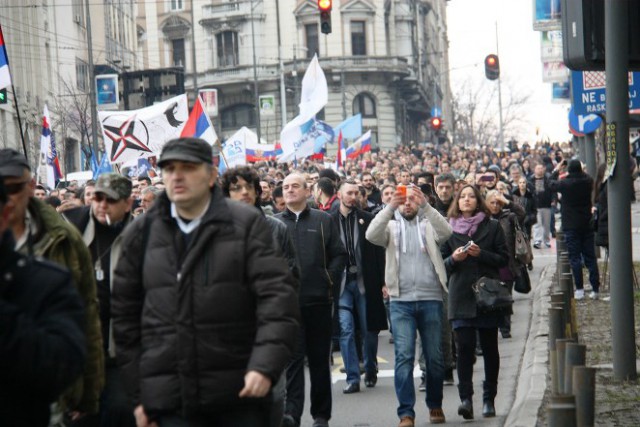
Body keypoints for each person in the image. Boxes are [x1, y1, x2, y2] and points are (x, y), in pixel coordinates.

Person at [112, 137, 300, 427]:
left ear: (211, 175)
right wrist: (140, 396)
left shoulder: (246, 225)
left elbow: (277, 300)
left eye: (187, 167)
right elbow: (125, 319)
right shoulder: (141, 233)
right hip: (170, 401)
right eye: (169, 168)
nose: (177, 176)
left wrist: (264, 366)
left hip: (239, 394)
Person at [0, 148, 104, 424]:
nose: (6, 199)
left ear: (31, 187)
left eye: (11, 188)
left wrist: (88, 393)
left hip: (47, 393)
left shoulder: (64, 237)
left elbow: (88, 314)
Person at [366, 184, 452, 427]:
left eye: (411, 200)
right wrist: (390, 206)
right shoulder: (390, 227)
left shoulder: (428, 225)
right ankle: (406, 413)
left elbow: (446, 232)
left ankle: (435, 404)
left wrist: (425, 204)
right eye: (403, 201)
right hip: (400, 301)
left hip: (431, 298)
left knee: (434, 358)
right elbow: (371, 235)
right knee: (403, 357)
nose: (407, 204)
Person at [276, 173, 347, 427]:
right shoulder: (274, 224)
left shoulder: (323, 220)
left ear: (308, 191)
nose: (290, 190)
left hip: (318, 301)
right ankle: (292, 414)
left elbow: (339, 254)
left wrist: (328, 278)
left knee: (319, 361)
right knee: (293, 363)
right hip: (287, 305)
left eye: (295, 186)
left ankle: (320, 415)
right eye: (285, 187)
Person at [441, 184, 509, 420]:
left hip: (487, 296)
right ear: (457, 202)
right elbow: (441, 265)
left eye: (471, 196)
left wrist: (483, 254)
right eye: (463, 197)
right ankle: (466, 399)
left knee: (490, 348)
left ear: (478, 201)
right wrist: (454, 258)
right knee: (465, 349)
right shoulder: (447, 229)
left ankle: (489, 399)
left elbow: (503, 260)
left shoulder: (491, 226)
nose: (467, 200)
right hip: (460, 296)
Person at [331, 179, 387, 394]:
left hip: (365, 282)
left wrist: (383, 281)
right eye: (349, 193)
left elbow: (378, 252)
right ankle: (353, 377)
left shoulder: (368, 219)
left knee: (369, 329)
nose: (353, 197)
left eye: (356, 193)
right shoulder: (328, 221)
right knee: (345, 329)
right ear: (339, 195)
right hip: (343, 284)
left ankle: (371, 369)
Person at [549, 159, 600, 300]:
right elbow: (586, 175)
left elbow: (550, 183)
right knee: (590, 257)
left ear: (568, 170)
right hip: (586, 223)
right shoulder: (588, 181)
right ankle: (595, 288)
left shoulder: (565, 184)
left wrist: (557, 169)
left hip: (570, 225)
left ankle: (579, 289)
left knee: (574, 258)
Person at [484, 190, 526, 338]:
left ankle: (505, 327)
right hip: (489, 264)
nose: (495, 206)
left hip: (507, 264)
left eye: (498, 203)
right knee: (491, 298)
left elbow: (521, 213)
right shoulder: (482, 219)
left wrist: (507, 201)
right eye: (492, 203)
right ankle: (494, 325)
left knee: (505, 297)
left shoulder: (508, 217)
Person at [529, 163, 554, 248]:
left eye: (541, 168)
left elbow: (552, 190)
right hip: (536, 206)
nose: (540, 170)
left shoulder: (547, 179)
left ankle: (546, 240)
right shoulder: (531, 180)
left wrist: (553, 200)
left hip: (546, 205)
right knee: (537, 224)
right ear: (535, 170)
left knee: (546, 224)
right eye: (538, 168)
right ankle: (537, 240)